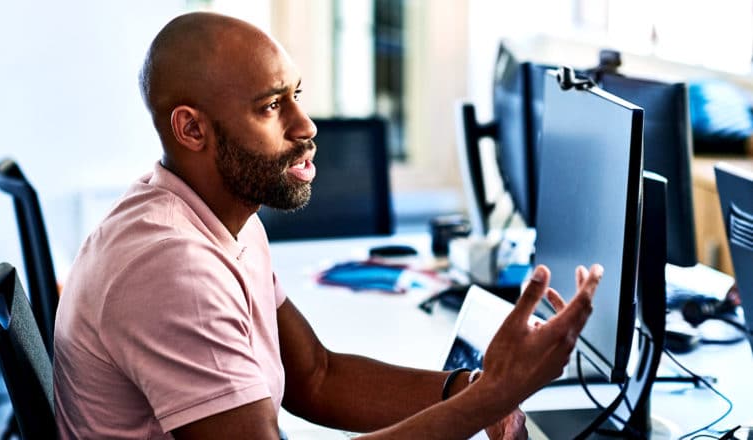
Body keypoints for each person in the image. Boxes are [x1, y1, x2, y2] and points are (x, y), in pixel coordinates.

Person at [53, 11, 603, 440]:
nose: (306, 125)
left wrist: (471, 389)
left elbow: (316, 375)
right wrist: (488, 400)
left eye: (296, 95)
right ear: (191, 129)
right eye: (271, 107)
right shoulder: (172, 268)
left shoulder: (219, 217)